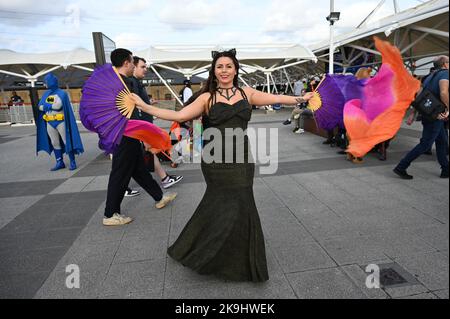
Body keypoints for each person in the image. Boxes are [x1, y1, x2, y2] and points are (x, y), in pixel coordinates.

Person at [132, 48, 314, 282]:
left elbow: (278, 98)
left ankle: (232, 256)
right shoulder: (207, 97)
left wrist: (300, 98)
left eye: (229, 66)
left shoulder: (247, 93)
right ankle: (206, 252)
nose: (224, 70)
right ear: (214, 71)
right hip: (215, 160)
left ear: (236, 69)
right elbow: (180, 117)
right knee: (221, 201)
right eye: (220, 66)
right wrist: (145, 107)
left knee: (241, 202)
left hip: (242, 159)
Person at [102, 49, 177, 227]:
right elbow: (128, 111)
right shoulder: (123, 83)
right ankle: (110, 213)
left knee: (139, 169)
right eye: (133, 63)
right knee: (119, 174)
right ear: (127, 63)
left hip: (128, 132)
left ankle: (159, 197)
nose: (134, 66)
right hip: (125, 133)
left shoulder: (112, 81)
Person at [394, 55, 449, 179]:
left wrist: (413, 113)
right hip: (437, 115)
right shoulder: (446, 74)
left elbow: (420, 97)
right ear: (445, 64)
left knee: (442, 141)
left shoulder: (429, 77)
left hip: (428, 114)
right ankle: (401, 166)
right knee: (425, 144)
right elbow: (444, 92)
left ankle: (446, 169)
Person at [131, 56, 183, 189]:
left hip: (143, 127)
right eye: (142, 67)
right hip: (140, 128)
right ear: (133, 67)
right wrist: (143, 134)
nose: (145, 69)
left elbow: (141, 105)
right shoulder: (133, 83)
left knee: (147, 153)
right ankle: (161, 182)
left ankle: (164, 179)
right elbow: (136, 107)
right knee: (128, 161)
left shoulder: (136, 82)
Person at [36, 73, 84, 171]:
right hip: (49, 122)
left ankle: (72, 161)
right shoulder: (46, 94)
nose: (45, 84)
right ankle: (59, 162)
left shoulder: (62, 93)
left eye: (47, 81)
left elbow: (58, 106)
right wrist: (49, 106)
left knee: (67, 141)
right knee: (54, 142)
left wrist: (47, 106)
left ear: (51, 82)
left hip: (61, 121)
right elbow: (40, 106)